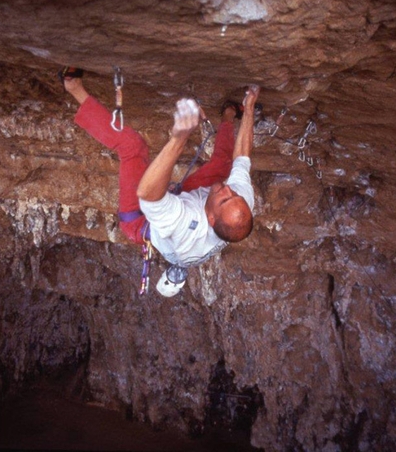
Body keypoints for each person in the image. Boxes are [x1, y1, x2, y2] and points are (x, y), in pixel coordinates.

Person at [62, 69, 260, 296]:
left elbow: (148, 194)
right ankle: (228, 114)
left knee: (133, 148)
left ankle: (74, 88)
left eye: (225, 198)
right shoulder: (240, 203)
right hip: (188, 209)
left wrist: (179, 138)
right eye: (234, 194)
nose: (227, 188)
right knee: (225, 165)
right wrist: (250, 105)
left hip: (141, 218)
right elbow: (242, 157)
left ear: (212, 218)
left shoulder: (185, 224)